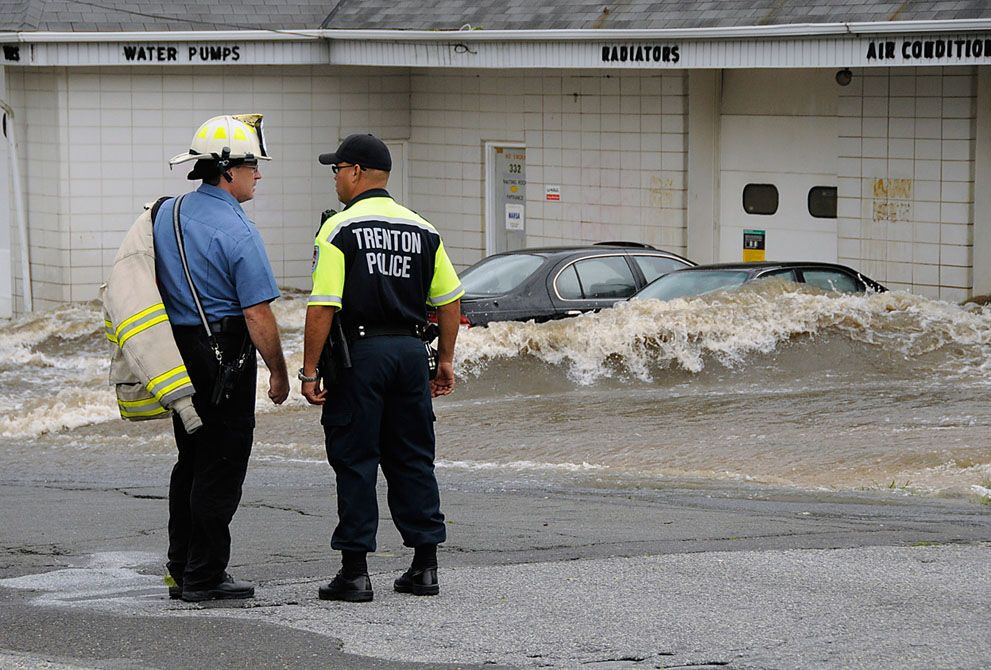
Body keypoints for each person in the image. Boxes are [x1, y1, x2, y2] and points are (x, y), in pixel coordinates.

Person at [301, 133, 464, 602]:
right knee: (413, 457)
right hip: (412, 354)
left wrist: (310, 372)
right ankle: (425, 568)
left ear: (355, 172)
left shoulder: (339, 229)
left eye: (336, 169)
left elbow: (323, 305)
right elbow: (450, 298)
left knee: (356, 459)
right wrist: (446, 360)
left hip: (360, 356)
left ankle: (354, 574)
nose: (334, 178)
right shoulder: (423, 229)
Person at [156, 114, 289, 602]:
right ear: (227, 170)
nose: (258, 174)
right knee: (222, 463)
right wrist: (278, 371)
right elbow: (256, 315)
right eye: (253, 164)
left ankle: (179, 568)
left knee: (189, 460)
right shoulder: (238, 231)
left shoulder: (168, 214)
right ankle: (206, 575)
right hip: (225, 356)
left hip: (177, 351)